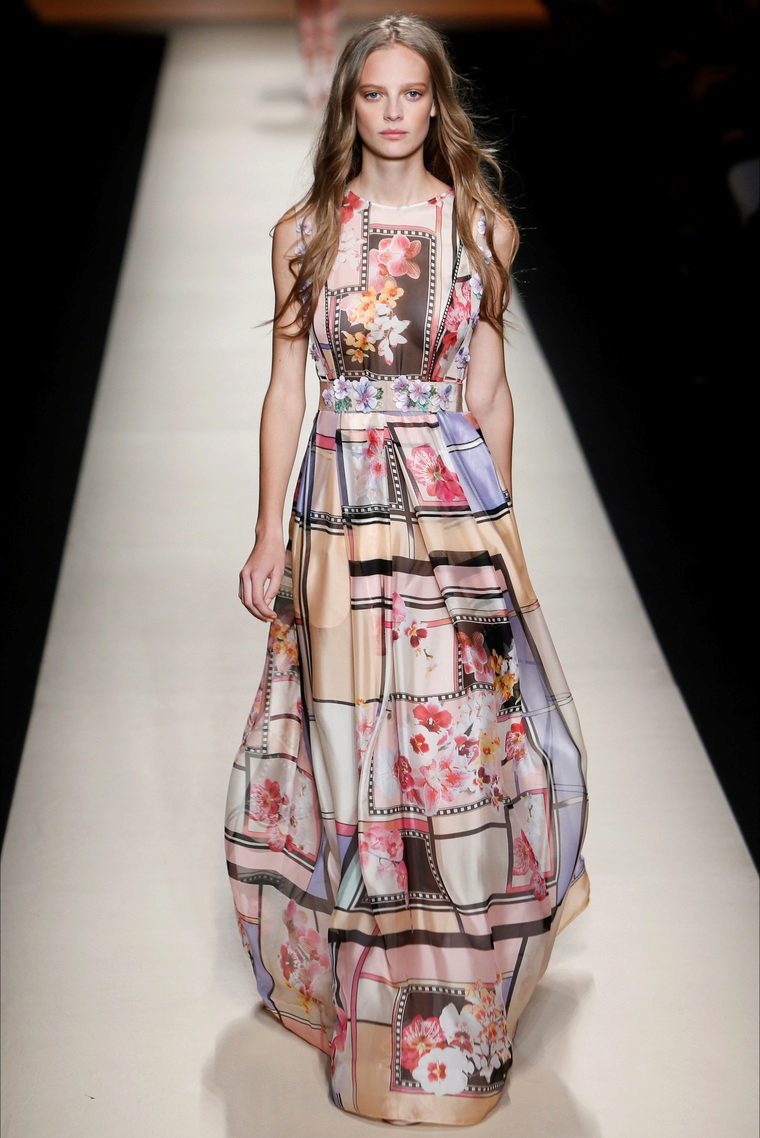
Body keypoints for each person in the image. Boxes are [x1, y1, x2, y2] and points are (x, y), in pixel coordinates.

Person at [224, 13, 590, 1127]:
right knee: (351, 762)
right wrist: (266, 533)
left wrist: (504, 532)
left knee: (451, 754)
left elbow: (490, 390)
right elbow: (286, 388)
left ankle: (454, 1026)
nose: (393, 112)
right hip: (337, 517)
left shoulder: (481, 227)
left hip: (446, 514)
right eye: (374, 93)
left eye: (411, 93)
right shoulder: (304, 234)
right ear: (351, 103)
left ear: (438, 103)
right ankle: (366, 1025)